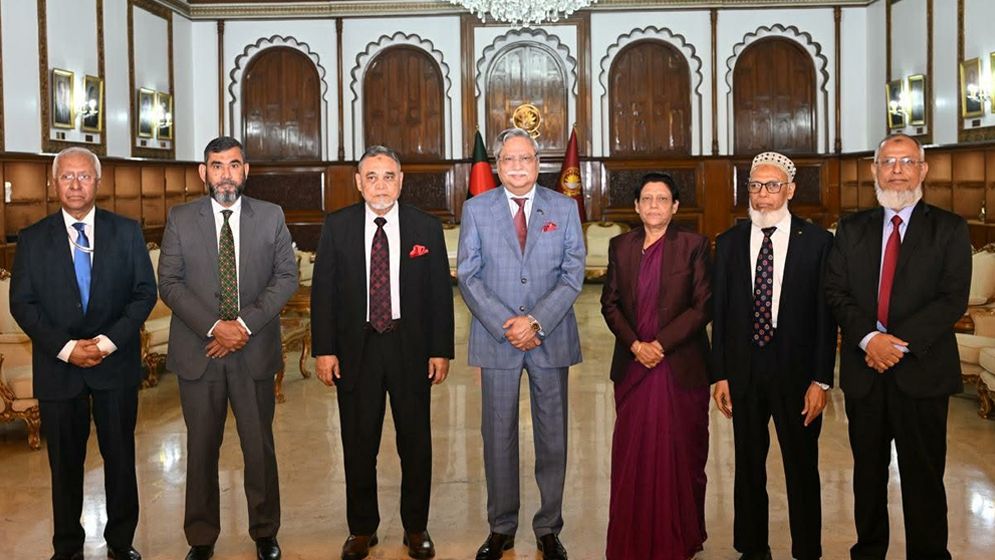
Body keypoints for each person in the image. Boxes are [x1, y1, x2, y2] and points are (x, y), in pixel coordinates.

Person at [825, 133, 971, 560]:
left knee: (924, 478)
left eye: (907, 162)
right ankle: (869, 552)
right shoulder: (851, 229)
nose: (897, 171)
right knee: (868, 477)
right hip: (865, 373)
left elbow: (952, 298)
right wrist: (871, 339)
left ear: (923, 170)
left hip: (922, 373)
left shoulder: (949, 228)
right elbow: (835, 292)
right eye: (888, 162)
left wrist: (895, 345)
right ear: (874, 170)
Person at [10, 147, 156, 560]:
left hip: (115, 364)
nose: (75, 184)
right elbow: (22, 304)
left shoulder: (126, 232)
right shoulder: (32, 239)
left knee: (121, 459)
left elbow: (145, 293)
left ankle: (121, 543)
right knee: (64, 466)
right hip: (59, 369)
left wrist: (107, 342)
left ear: (98, 181)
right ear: (53, 183)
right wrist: (67, 348)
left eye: (84, 176)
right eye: (67, 176)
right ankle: (68, 547)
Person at [311, 145, 455, 560]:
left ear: (401, 181)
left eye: (388, 176)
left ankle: (416, 527)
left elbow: (439, 294)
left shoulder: (425, 227)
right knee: (358, 443)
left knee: (416, 442)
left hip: (411, 348)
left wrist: (440, 349)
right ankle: (362, 529)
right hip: (356, 350)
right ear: (358, 183)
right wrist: (324, 350)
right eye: (371, 177)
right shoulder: (337, 226)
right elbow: (324, 293)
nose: (380, 185)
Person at [158, 136, 298, 560]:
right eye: (216, 166)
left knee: (259, 448)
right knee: (201, 449)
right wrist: (216, 328)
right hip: (199, 354)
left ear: (246, 171)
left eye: (234, 165)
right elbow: (170, 283)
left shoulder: (271, 216)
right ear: (203, 173)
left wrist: (242, 326)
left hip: (253, 352)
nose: (225, 175)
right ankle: (201, 538)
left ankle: (265, 532)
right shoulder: (180, 218)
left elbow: (286, 277)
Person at [457, 127, 585, 560]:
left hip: (551, 336)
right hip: (497, 339)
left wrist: (535, 322)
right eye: (508, 159)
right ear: (497, 166)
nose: (517, 166)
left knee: (553, 438)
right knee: (497, 436)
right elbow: (468, 274)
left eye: (525, 158)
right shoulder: (476, 209)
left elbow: (573, 273)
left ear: (537, 163)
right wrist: (506, 323)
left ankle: (548, 527)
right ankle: (502, 527)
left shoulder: (563, 208)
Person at [711, 152, 836, 560]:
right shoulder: (729, 243)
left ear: (790, 190)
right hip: (744, 371)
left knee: (801, 467)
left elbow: (826, 317)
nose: (763, 194)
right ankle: (752, 549)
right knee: (748, 466)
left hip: (797, 375)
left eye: (772, 185)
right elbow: (720, 314)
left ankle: (807, 551)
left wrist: (821, 381)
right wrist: (720, 374)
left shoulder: (817, 243)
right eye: (755, 185)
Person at [600, 173, 712, 560]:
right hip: (634, 367)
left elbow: (703, 306)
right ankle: (631, 539)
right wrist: (636, 345)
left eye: (662, 199)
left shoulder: (694, 246)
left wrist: (660, 345)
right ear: (636, 206)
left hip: (680, 367)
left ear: (675, 206)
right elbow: (609, 304)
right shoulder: (621, 246)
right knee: (633, 456)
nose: (653, 206)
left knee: (682, 456)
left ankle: (680, 537)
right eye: (646, 199)